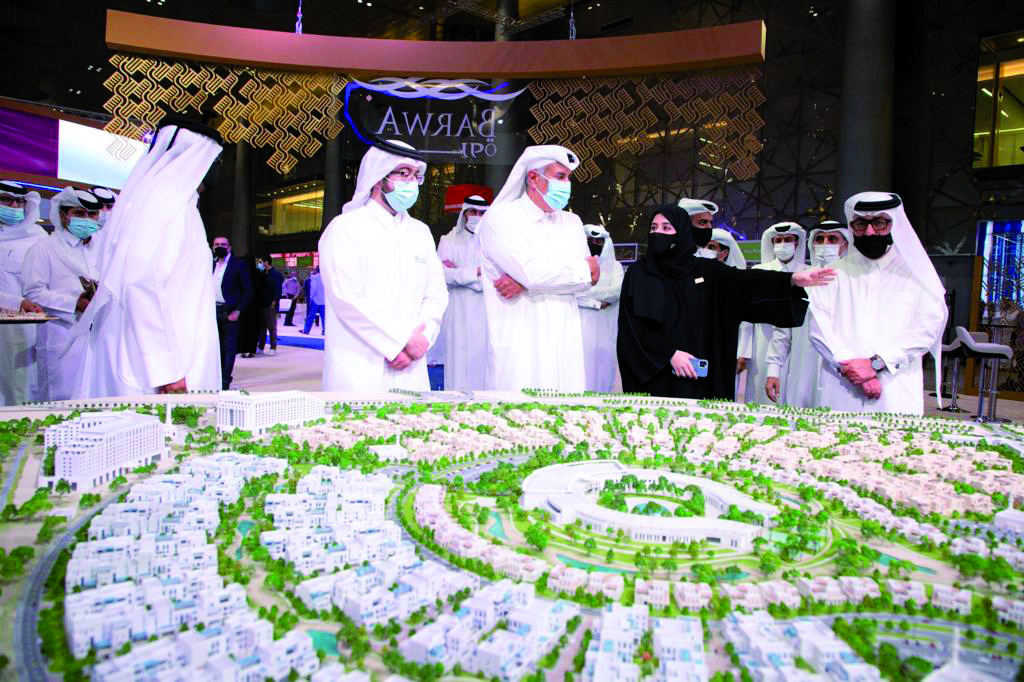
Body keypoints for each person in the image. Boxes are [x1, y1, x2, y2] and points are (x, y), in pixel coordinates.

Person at [75, 115, 226, 397]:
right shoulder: (166, 205)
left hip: (162, 351)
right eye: (215, 159)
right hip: (155, 366)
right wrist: (166, 369)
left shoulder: (167, 202)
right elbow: (140, 281)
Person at [617, 204, 833, 400]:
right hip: (654, 376)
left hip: (698, 381)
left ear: (681, 232)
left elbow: (745, 282)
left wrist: (791, 279)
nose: (658, 233)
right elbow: (631, 327)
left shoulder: (705, 270)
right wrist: (669, 355)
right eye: (654, 228)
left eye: (666, 228)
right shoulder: (639, 273)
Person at [318, 140, 448, 391]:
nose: (410, 182)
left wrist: (420, 341)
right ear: (378, 178)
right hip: (359, 364)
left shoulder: (420, 232)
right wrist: (398, 342)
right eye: (402, 173)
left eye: (415, 175)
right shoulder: (345, 229)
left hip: (412, 363)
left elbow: (436, 295)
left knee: (414, 429)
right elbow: (347, 298)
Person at [807, 192, 947, 414]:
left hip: (895, 386)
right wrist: (851, 368)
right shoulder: (833, 273)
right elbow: (818, 327)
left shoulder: (917, 274)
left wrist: (876, 364)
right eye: (861, 224)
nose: (870, 232)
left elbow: (927, 328)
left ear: (893, 224)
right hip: (841, 384)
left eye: (879, 223)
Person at [477, 144, 599, 391]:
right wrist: (574, 271)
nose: (566, 184)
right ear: (533, 177)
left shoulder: (572, 222)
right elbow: (534, 272)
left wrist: (527, 281)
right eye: (560, 176)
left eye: (568, 178)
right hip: (521, 345)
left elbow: (590, 280)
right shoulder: (501, 217)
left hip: (564, 344)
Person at [21, 188, 103, 401]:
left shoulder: (102, 249)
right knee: (60, 399)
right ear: (63, 214)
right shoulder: (44, 249)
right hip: (61, 334)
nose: (87, 219)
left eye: (92, 214)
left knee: (96, 396)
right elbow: (34, 292)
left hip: (99, 333)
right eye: (80, 213)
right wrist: (75, 303)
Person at [764, 221, 852, 407]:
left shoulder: (856, 280)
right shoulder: (800, 279)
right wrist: (773, 370)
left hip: (844, 373)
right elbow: (783, 330)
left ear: (845, 244)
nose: (825, 244)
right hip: (801, 370)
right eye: (819, 239)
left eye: (832, 239)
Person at [738, 222, 808, 404]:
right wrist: (743, 352)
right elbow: (746, 318)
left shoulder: (808, 273)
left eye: (788, 239)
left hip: (799, 347)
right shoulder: (759, 272)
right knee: (759, 396)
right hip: (762, 343)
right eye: (779, 240)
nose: (783, 244)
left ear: (797, 243)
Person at [0, 180, 46, 405]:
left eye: (19, 201)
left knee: (23, 387)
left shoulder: (38, 238)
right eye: (6, 200)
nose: (14, 205)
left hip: (26, 328)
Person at [437, 194, 489, 390]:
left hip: (484, 311)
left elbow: (494, 278)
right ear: (465, 213)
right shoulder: (448, 240)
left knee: (482, 361)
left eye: (482, 213)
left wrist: (459, 273)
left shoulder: (493, 242)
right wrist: (475, 272)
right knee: (457, 362)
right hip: (457, 310)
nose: (477, 216)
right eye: (473, 212)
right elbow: (441, 276)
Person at [577, 224, 623, 393]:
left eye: (598, 241)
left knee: (603, 374)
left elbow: (616, 292)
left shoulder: (615, 267)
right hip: (579, 329)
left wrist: (587, 292)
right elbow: (574, 294)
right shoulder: (576, 266)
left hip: (605, 332)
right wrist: (596, 302)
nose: (594, 244)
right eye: (590, 241)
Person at [211, 235, 253, 389]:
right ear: (213, 247)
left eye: (223, 244)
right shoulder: (210, 265)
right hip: (211, 311)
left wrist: (238, 310)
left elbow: (248, 290)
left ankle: (224, 381)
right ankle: (215, 377)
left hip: (230, 312)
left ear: (229, 247)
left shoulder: (238, 265)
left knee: (229, 348)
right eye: (217, 244)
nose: (220, 246)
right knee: (215, 347)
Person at [236, 255, 264, 358]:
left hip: (244, 305)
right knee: (254, 328)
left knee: (243, 328)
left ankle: (243, 350)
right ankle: (251, 350)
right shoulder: (259, 274)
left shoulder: (242, 273)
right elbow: (262, 290)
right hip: (255, 306)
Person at [257, 255, 283, 356]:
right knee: (262, 327)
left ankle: (273, 347)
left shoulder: (276, 275)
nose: (259, 264)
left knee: (271, 327)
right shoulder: (262, 273)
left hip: (271, 304)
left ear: (266, 262)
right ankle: (261, 346)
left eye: (260, 261)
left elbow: (278, 289)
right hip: (262, 304)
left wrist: (274, 302)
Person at [300, 267, 325, 335]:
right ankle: (325, 330)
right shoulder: (326, 277)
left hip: (316, 299)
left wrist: (311, 297)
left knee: (311, 315)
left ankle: (306, 330)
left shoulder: (314, 277)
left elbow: (314, 289)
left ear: (316, 270)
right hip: (324, 300)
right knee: (324, 317)